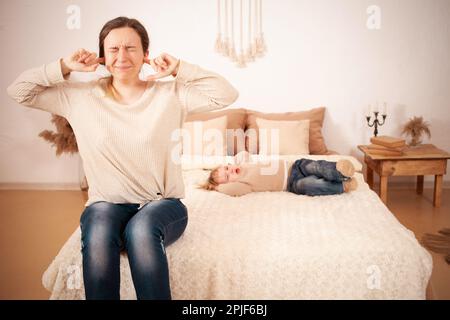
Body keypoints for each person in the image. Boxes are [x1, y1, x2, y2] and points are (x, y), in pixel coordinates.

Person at [6, 16, 238, 300]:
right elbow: (18, 90)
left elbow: (226, 94)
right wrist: (64, 67)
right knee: (99, 228)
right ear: (103, 57)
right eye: (114, 49)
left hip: (163, 205)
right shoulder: (79, 97)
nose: (122, 56)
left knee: (141, 230)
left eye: (131, 48)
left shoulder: (171, 94)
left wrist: (179, 68)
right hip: (106, 204)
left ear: (145, 55)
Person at [201, 151, 358, 196]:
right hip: (291, 184)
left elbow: (243, 153)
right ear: (231, 183)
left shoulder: (244, 163)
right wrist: (216, 187)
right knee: (311, 185)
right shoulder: (243, 185)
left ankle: (340, 171)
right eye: (228, 177)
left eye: (227, 168)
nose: (231, 172)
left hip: (294, 166)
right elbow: (232, 191)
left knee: (315, 167)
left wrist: (232, 164)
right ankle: (342, 186)